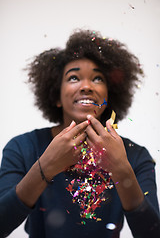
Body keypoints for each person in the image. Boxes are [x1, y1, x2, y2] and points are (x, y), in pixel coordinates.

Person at [0, 29, 160, 238]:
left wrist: (121, 169)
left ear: (109, 96)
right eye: (74, 77)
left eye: (97, 79)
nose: (86, 86)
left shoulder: (135, 156)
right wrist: (46, 166)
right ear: (56, 96)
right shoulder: (22, 147)